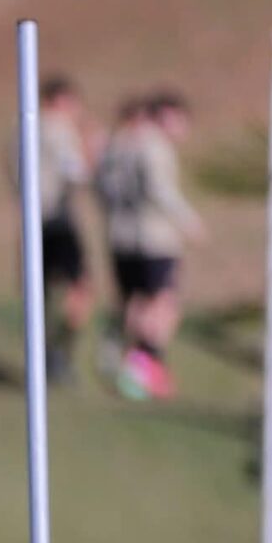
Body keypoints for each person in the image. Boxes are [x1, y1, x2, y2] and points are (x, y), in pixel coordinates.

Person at [97, 89, 204, 400]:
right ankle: (141, 370)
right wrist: (187, 219)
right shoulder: (154, 146)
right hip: (154, 239)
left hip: (122, 237)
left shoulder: (120, 144)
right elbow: (159, 189)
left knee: (138, 305)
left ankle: (127, 363)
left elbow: (105, 187)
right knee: (163, 307)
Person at [28, 75, 97, 383]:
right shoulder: (57, 129)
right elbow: (76, 171)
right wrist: (92, 152)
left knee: (40, 292)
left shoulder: (22, 126)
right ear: (59, 100)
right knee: (79, 289)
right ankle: (59, 354)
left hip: (33, 219)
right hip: (57, 218)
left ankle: (47, 354)